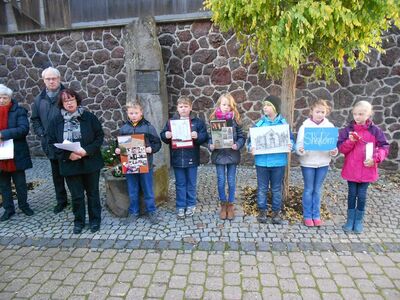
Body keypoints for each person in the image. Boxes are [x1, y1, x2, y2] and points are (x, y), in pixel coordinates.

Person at [47, 89, 104, 234]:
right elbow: (51, 142)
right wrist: (67, 156)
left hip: (90, 162)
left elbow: (99, 137)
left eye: (71, 99)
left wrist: (87, 151)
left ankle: (95, 220)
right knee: (77, 195)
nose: (69, 103)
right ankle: (79, 221)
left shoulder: (89, 117)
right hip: (70, 164)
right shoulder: (55, 122)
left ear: (77, 101)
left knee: (92, 193)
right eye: (66, 101)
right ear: (62, 104)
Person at [337, 100, 389, 234]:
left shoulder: (375, 131)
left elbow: (384, 146)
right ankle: (350, 220)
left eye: (361, 114)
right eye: (355, 114)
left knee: (362, 195)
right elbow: (342, 148)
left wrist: (375, 159)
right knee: (352, 194)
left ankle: (358, 221)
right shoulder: (348, 130)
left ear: (369, 114)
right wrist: (351, 141)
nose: (357, 117)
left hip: (367, 169)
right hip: (352, 169)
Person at [247, 95, 294, 225]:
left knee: (276, 189)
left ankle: (276, 213)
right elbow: (250, 142)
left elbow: (291, 140)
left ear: (275, 107)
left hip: (278, 162)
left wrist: (291, 145)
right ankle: (262, 211)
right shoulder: (259, 124)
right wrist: (251, 147)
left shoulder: (283, 124)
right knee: (262, 188)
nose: (265, 108)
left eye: (267, 105)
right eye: (264, 105)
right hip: (262, 162)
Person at [160, 96, 208, 219]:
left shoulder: (197, 122)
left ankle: (191, 204)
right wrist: (166, 135)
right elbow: (163, 135)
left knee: (191, 183)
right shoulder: (171, 122)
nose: (183, 109)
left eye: (186, 106)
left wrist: (197, 136)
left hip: (192, 157)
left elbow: (204, 136)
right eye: (181, 106)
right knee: (180, 183)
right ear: (177, 108)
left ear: (190, 107)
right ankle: (180, 205)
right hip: (177, 158)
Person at [115, 101, 162, 225]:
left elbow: (157, 143)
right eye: (131, 113)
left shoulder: (148, 127)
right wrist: (117, 150)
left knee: (148, 189)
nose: (134, 115)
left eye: (136, 113)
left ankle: (151, 211)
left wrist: (151, 148)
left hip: (145, 164)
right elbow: (118, 144)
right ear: (127, 114)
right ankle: (133, 212)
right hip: (130, 164)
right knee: (132, 190)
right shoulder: (124, 128)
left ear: (141, 113)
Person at [31, 67, 69, 214]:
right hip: (50, 144)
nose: (51, 81)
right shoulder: (39, 99)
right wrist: (42, 134)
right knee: (57, 175)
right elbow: (35, 119)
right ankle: (61, 201)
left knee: (72, 173)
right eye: (48, 79)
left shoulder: (68, 95)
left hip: (67, 142)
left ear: (59, 79)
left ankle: (78, 200)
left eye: (54, 78)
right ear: (44, 80)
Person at [296, 99, 338, 227]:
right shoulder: (305, 127)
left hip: (323, 163)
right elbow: (298, 145)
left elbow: (333, 146)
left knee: (317, 190)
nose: (320, 114)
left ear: (326, 113)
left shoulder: (329, 127)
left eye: (323, 112)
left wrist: (334, 151)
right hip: (308, 163)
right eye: (317, 111)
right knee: (309, 189)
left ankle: (316, 215)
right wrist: (300, 150)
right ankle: (308, 216)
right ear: (311, 112)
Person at [208, 93, 245, 220]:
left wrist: (238, 144)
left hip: (232, 154)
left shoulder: (236, 120)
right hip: (219, 155)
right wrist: (210, 145)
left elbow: (241, 136)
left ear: (232, 106)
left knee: (231, 181)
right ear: (219, 105)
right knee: (221, 181)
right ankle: (223, 204)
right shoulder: (214, 119)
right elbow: (209, 137)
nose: (226, 107)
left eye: (229, 105)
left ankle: (230, 204)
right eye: (224, 104)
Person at [0, 84, 34, 221]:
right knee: (3, 184)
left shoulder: (19, 111)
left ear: (10, 98)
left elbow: (23, 129)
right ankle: (8, 209)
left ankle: (24, 205)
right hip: (1, 156)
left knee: (20, 182)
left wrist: (3, 134)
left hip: (16, 153)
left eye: (4, 97)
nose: (1, 100)